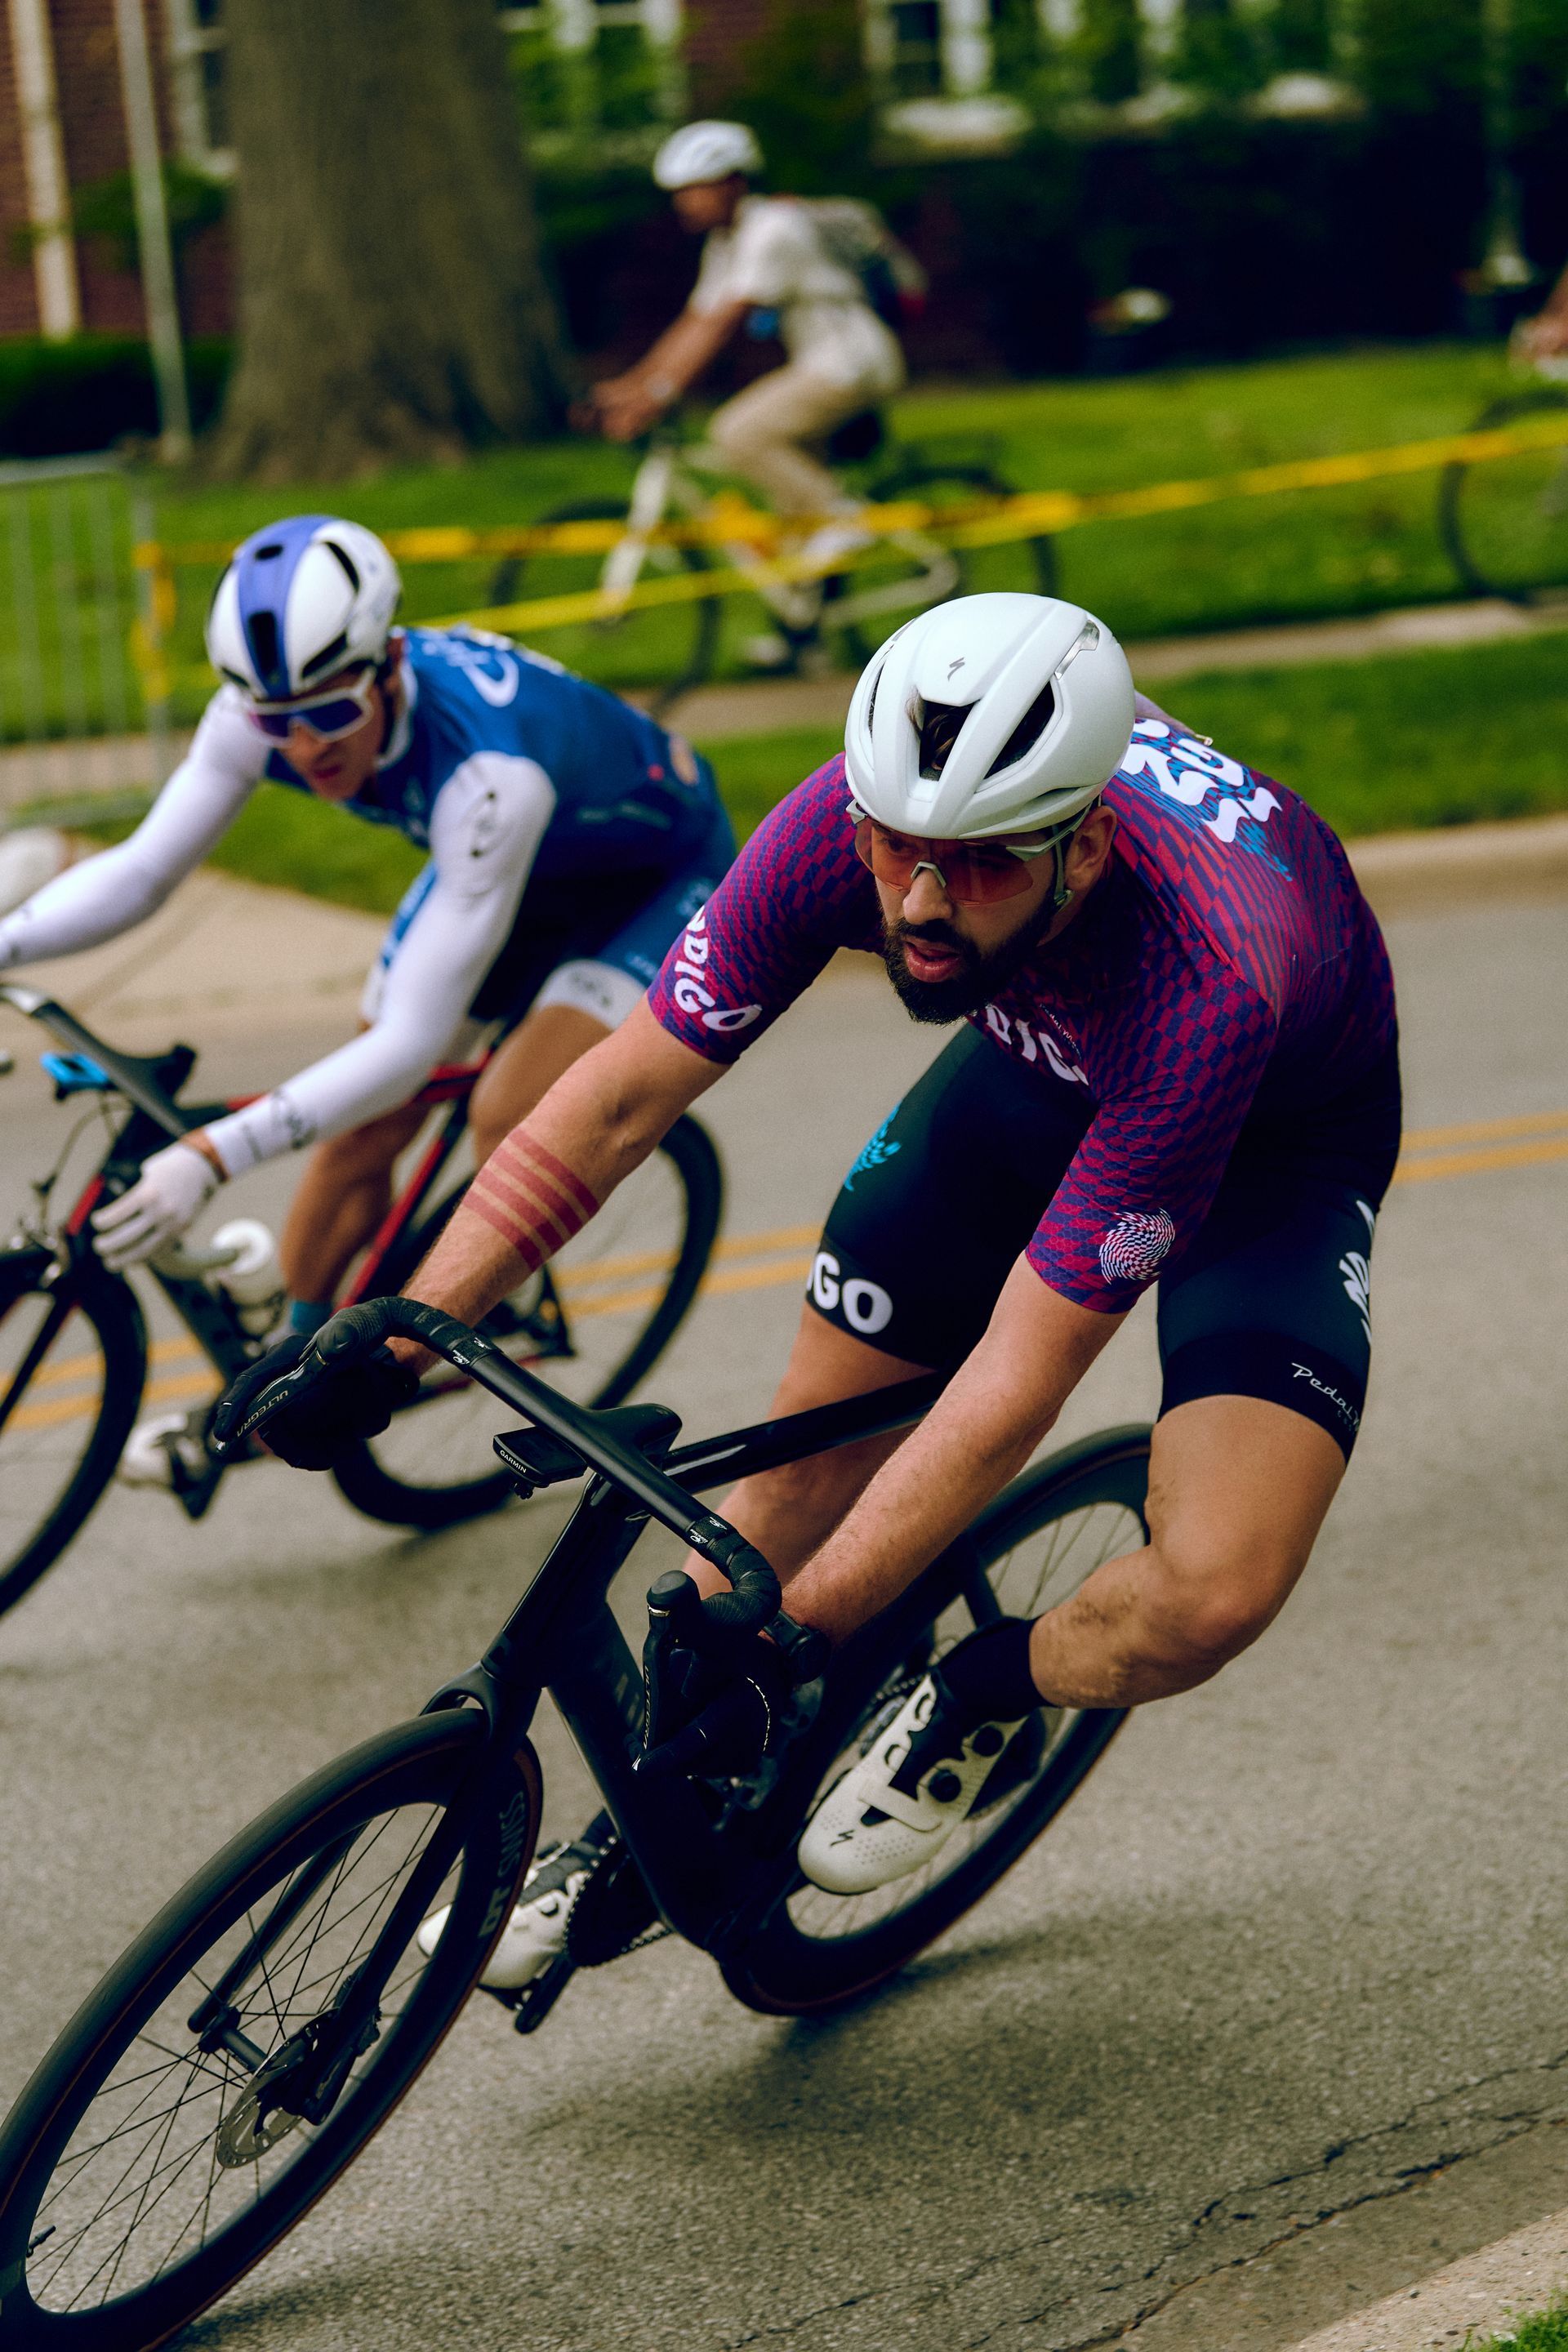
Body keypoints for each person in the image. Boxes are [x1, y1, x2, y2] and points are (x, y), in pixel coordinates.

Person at [220, 590, 1400, 1987]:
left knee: (1214, 1589)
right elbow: (614, 1104)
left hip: (1270, 1139)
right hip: (1038, 1066)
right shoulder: (843, 819)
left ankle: (974, 1693)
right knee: (791, 1482)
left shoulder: (1212, 977)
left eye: (975, 869)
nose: (917, 905)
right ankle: (631, 1837)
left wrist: (802, 1632)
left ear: (1084, 844)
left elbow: (1011, 1387)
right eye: (897, 851)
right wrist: (396, 1339)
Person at [0, 514, 733, 1486]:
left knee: (512, 1110)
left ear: (389, 663)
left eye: (332, 714)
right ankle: (286, 1380)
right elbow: (141, 872)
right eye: (276, 722)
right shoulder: (268, 705)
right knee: (360, 1127)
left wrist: (210, 1155)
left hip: (655, 875)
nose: (304, 746)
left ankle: (487, 1296)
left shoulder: (488, 773)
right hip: (509, 871)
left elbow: (410, 1039)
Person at [585, 120, 907, 619]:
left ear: (735, 182)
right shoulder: (727, 241)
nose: (684, 202)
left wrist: (659, 394)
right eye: (680, 191)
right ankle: (803, 631)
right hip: (827, 361)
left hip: (850, 363)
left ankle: (848, 521)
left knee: (738, 433)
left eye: (697, 188)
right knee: (792, 514)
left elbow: (723, 323)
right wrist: (635, 387)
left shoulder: (773, 230)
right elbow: (697, 320)